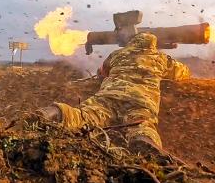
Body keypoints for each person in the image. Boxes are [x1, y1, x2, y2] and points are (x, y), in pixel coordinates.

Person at [40, 33, 190, 154]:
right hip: (140, 101)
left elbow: (102, 72)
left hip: (109, 96)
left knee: (85, 114)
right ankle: (143, 141)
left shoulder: (117, 54)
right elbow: (182, 72)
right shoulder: (161, 59)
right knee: (142, 123)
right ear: (152, 44)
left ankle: (54, 113)